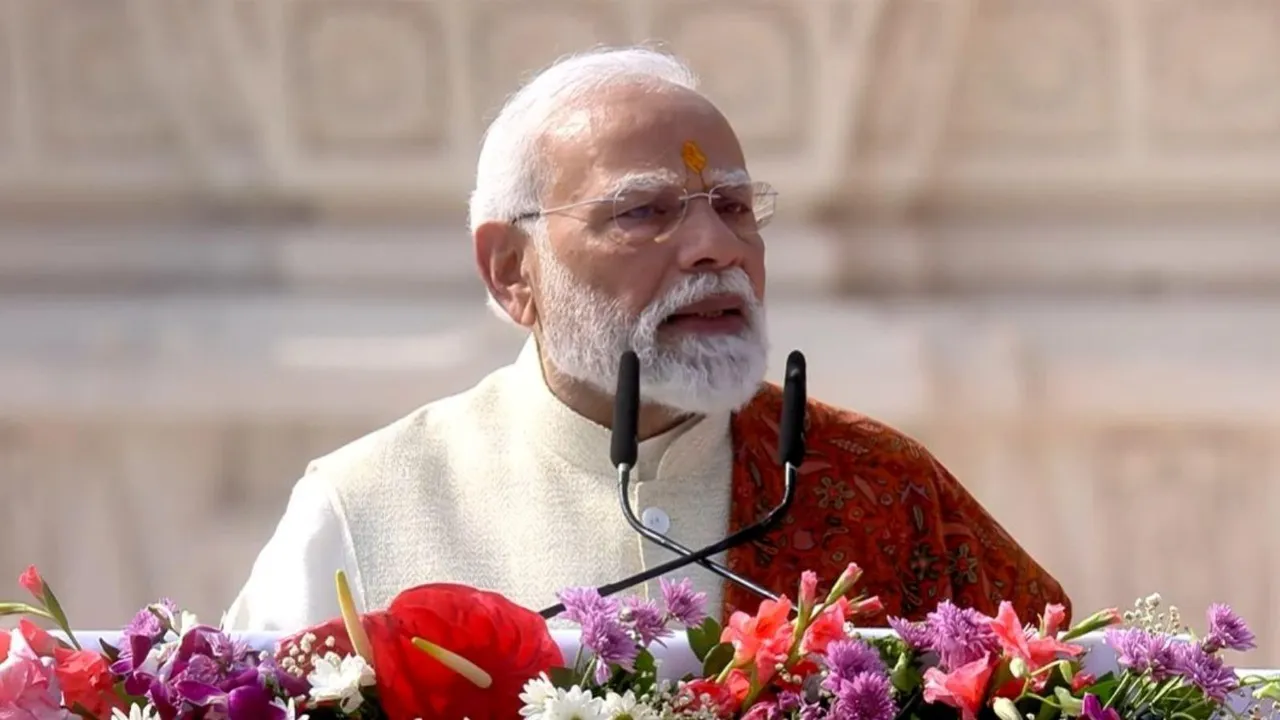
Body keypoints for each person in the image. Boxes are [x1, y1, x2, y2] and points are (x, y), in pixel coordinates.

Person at [224, 46, 1070, 631]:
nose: (718, 247)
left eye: (735, 206)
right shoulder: (367, 507)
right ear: (513, 271)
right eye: (644, 211)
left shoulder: (882, 488)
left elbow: (1078, 688)